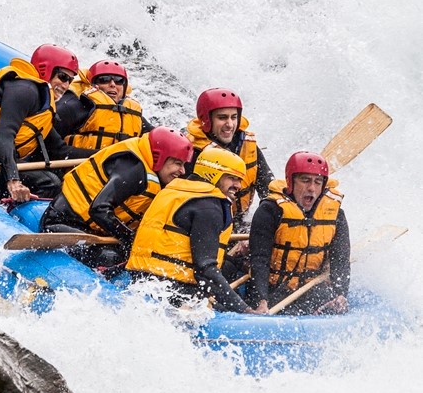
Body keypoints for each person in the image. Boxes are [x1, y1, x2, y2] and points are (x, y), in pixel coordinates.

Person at [0, 44, 95, 203]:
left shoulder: (43, 105)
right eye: (62, 77)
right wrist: (13, 181)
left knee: (55, 180)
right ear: (46, 70)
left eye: (70, 80)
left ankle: (1, 205)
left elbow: (61, 151)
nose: (66, 85)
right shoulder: (26, 89)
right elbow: (3, 135)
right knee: (49, 182)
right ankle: (5, 212)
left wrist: (106, 153)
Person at [127, 146, 261, 313]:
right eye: (232, 178)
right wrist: (245, 310)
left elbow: (186, 247)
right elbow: (206, 269)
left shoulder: (175, 190)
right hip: (173, 291)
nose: (238, 186)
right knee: (228, 309)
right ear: (213, 174)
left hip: (144, 282)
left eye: (239, 180)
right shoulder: (209, 207)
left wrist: (239, 263)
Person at [40, 127, 194, 268]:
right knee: (111, 257)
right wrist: (129, 238)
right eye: (177, 163)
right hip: (62, 222)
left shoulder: (154, 175)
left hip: (94, 230)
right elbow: (99, 209)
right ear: (160, 157)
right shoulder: (133, 170)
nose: (182, 171)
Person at [246, 151, 351, 315]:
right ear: (290, 182)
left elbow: (341, 260)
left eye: (318, 182)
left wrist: (340, 293)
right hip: (273, 289)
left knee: (330, 303)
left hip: (309, 289)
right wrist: (262, 300)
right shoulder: (270, 210)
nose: (311, 188)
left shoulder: (336, 214)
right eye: (305, 180)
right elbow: (259, 259)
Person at [185, 88, 273, 229]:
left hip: (239, 221)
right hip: (205, 223)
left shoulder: (247, 145)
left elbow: (268, 189)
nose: (230, 124)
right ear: (207, 120)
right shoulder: (192, 152)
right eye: (222, 118)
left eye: (233, 117)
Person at [54, 60, 153, 149]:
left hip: (122, 167)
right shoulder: (76, 105)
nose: (113, 84)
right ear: (91, 85)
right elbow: (50, 143)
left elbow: (156, 139)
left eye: (119, 80)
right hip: (82, 166)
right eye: (104, 79)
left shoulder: (133, 113)